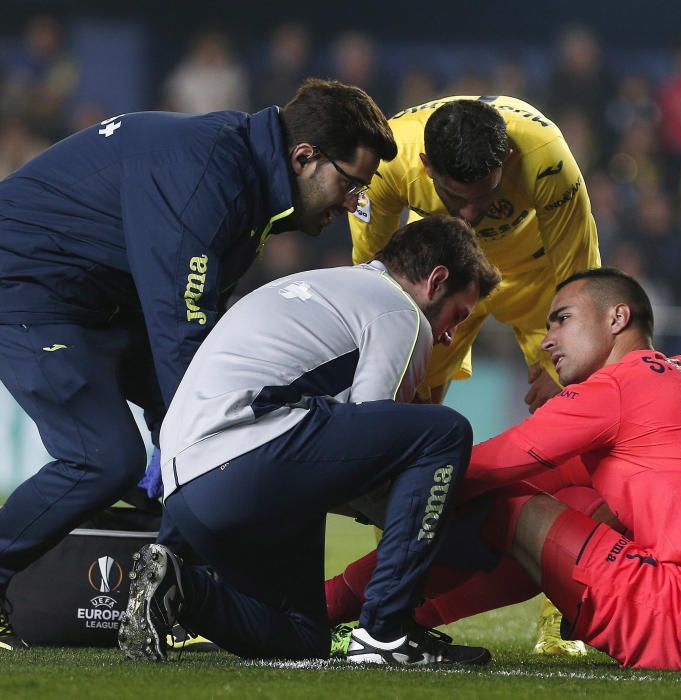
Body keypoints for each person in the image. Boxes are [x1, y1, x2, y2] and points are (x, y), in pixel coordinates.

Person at [0, 78, 397, 650]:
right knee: (105, 459)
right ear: (304, 157)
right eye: (350, 184)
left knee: (205, 443)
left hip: (99, 302)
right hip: (29, 289)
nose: (351, 204)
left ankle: (188, 592)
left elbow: (203, 337)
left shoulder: (246, 178)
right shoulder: (211, 178)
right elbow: (181, 337)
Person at [328, 267, 681, 671]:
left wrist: (353, 483)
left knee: (497, 503)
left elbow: (478, 470)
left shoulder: (620, 386)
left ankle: (339, 611)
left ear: (618, 318)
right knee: (571, 506)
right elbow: (541, 479)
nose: (548, 339)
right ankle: (386, 621)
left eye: (562, 320)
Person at [117, 216, 501, 665]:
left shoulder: (325, 287)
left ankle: (181, 587)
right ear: (436, 281)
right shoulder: (399, 311)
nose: (451, 335)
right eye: (458, 315)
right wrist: (450, 521)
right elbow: (378, 449)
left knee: (303, 639)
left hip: (188, 497)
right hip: (248, 462)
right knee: (443, 432)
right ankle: (386, 632)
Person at [348, 94, 600, 655]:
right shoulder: (388, 160)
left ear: (506, 159)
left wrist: (564, 362)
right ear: (426, 170)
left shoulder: (546, 158)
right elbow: (374, 278)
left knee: (583, 407)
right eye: (454, 199)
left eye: (485, 198)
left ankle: (565, 614)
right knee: (395, 421)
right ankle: (392, 604)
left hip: (537, 275)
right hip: (445, 273)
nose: (471, 216)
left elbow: (582, 279)